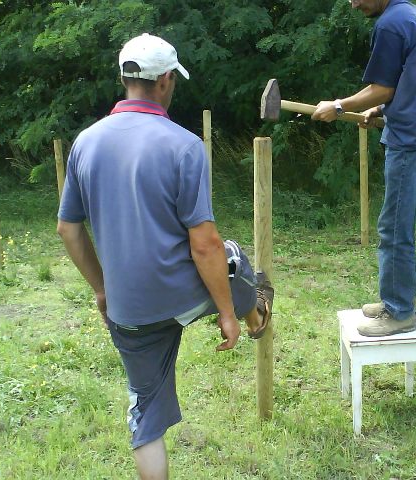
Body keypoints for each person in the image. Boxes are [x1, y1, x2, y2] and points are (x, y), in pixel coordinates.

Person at [57, 33, 273, 480]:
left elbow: (68, 229)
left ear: (125, 78)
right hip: (182, 297)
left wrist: (102, 290)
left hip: (128, 310)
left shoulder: (85, 143)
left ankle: (251, 313)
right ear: (165, 80)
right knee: (232, 257)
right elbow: (205, 244)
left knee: (145, 417)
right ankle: (254, 315)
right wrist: (226, 313)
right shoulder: (184, 146)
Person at [312, 0, 416, 337]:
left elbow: (383, 88)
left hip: (412, 142)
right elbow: (407, 82)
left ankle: (399, 311)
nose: (353, 3)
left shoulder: (390, 24)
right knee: (396, 225)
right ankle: (400, 301)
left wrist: (338, 106)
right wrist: (382, 109)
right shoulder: (411, 15)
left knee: (394, 228)